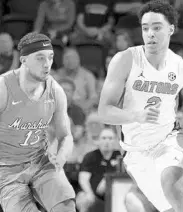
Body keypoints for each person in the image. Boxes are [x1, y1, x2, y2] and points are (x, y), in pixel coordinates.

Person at [98, 1, 183, 212]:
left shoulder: (180, 67)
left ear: (171, 29)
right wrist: (136, 115)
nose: (150, 34)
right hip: (136, 152)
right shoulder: (125, 60)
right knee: (167, 206)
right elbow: (104, 112)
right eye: (145, 28)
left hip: (169, 140)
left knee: (170, 180)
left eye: (157, 27)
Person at [0, 32, 76, 212]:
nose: (47, 64)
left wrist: (62, 156)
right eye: (40, 58)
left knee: (66, 207)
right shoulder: (3, 89)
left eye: (50, 57)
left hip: (41, 162)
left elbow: (65, 136)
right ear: (23, 59)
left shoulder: (55, 91)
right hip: (6, 170)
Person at [76, 125, 121, 212]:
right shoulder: (90, 156)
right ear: (98, 141)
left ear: (115, 141)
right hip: (92, 193)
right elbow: (83, 180)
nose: (107, 141)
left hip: (113, 193)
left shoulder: (119, 156)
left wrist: (107, 181)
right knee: (84, 198)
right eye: (104, 138)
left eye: (110, 138)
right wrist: (89, 194)